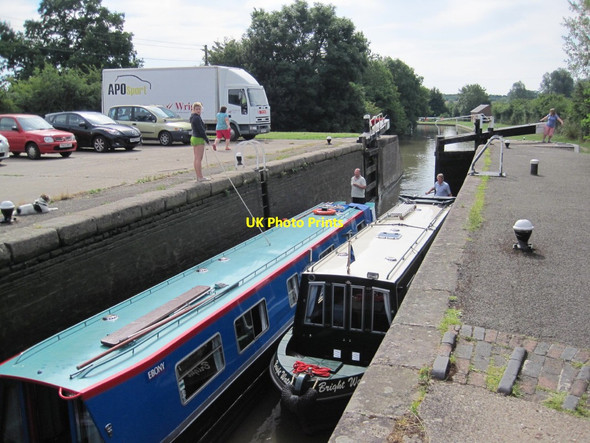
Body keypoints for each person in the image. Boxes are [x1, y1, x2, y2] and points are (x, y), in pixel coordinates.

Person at [190, 102, 211, 181]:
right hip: (198, 138)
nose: (198, 111)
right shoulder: (197, 118)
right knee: (199, 158)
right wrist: (207, 139)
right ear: (193, 109)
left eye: (199, 109)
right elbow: (201, 130)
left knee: (196, 158)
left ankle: (198, 176)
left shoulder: (192, 117)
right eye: (197, 109)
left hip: (194, 137)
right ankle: (200, 177)